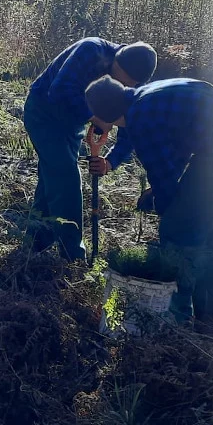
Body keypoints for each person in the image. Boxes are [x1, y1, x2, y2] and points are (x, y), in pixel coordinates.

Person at [83, 76, 213, 330]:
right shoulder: (139, 100)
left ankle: (176, 317)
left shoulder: (142, 118)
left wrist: (167, 211)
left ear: (105, 113)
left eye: (93, 117)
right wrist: (115, 163)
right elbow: (145, 140)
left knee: (179, 230)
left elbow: (164, 177)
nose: (92, 122)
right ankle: (212, 314)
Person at [23, 39, 158, 260]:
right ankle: (72, 255)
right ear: (116, 57)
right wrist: (94, 116)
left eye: (126, 84)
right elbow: (58, 92)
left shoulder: (137, 87)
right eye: (116, 76)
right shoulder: (90, 50)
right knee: (65, 177)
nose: (118, 83)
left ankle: (35, 242)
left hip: (72, 125)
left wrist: (112, 161)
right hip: (44, 113)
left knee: (53, 177)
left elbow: (131, 126)